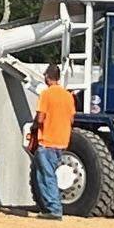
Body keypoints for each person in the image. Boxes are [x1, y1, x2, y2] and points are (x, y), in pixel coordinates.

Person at [27, 64, 76, 219]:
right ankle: (48, 208)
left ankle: (54, 209)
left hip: (47, 141)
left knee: (46, 176)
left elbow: (40, 118)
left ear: (48, 77)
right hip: (62, 141)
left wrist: (34, 127)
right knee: (46, 174)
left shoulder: (46, 95)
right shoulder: (68, 96)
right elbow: (72, 118)